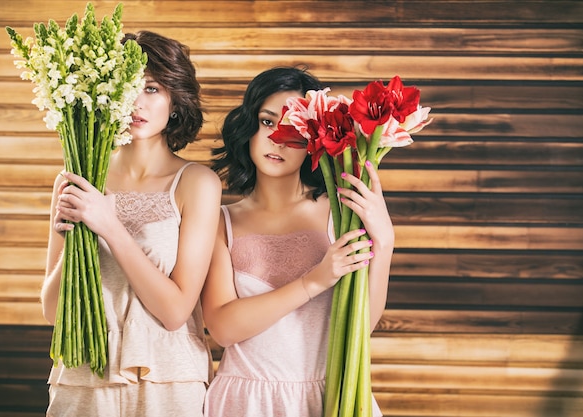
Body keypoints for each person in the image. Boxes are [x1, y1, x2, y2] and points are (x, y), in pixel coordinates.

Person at [41, 31, 222, 417]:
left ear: (175, 100)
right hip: (83, 374)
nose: (136, 102)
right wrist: (69, 240)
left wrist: (108, 225)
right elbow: (54, 310)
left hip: (169, 379)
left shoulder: (196, 183)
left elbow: (176, 312)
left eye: (153, 88)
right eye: (126, 87)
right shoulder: (76, 178)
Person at [201, 66, 392, 416]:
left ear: (313, 140)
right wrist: (313, 281)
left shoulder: (341, 214)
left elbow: (362, 323)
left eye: (294, 128)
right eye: (267, 121)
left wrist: (386, 242)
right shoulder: (219, 221)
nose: (277, 139)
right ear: (249, 127)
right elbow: (223, 329)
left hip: (331, 394)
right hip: (246, 401)